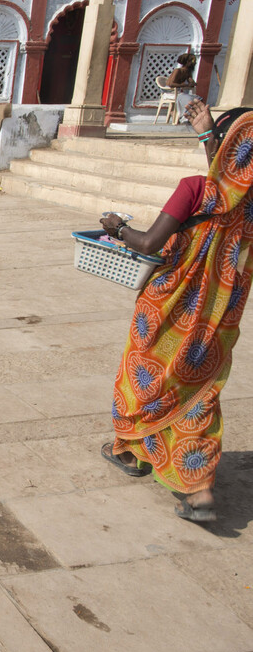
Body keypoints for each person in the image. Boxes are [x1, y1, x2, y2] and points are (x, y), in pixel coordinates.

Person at [99, 100, 253, 523]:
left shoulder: (193, 189)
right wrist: (210, 135)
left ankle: (129, 450)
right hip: (217, 320)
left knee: (142, 376)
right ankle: (198, 488)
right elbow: (231, 189)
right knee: (198, 393)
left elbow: (148, 244)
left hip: (167, 309)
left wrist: (116, 227)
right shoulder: (249, 208)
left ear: (221, 150)